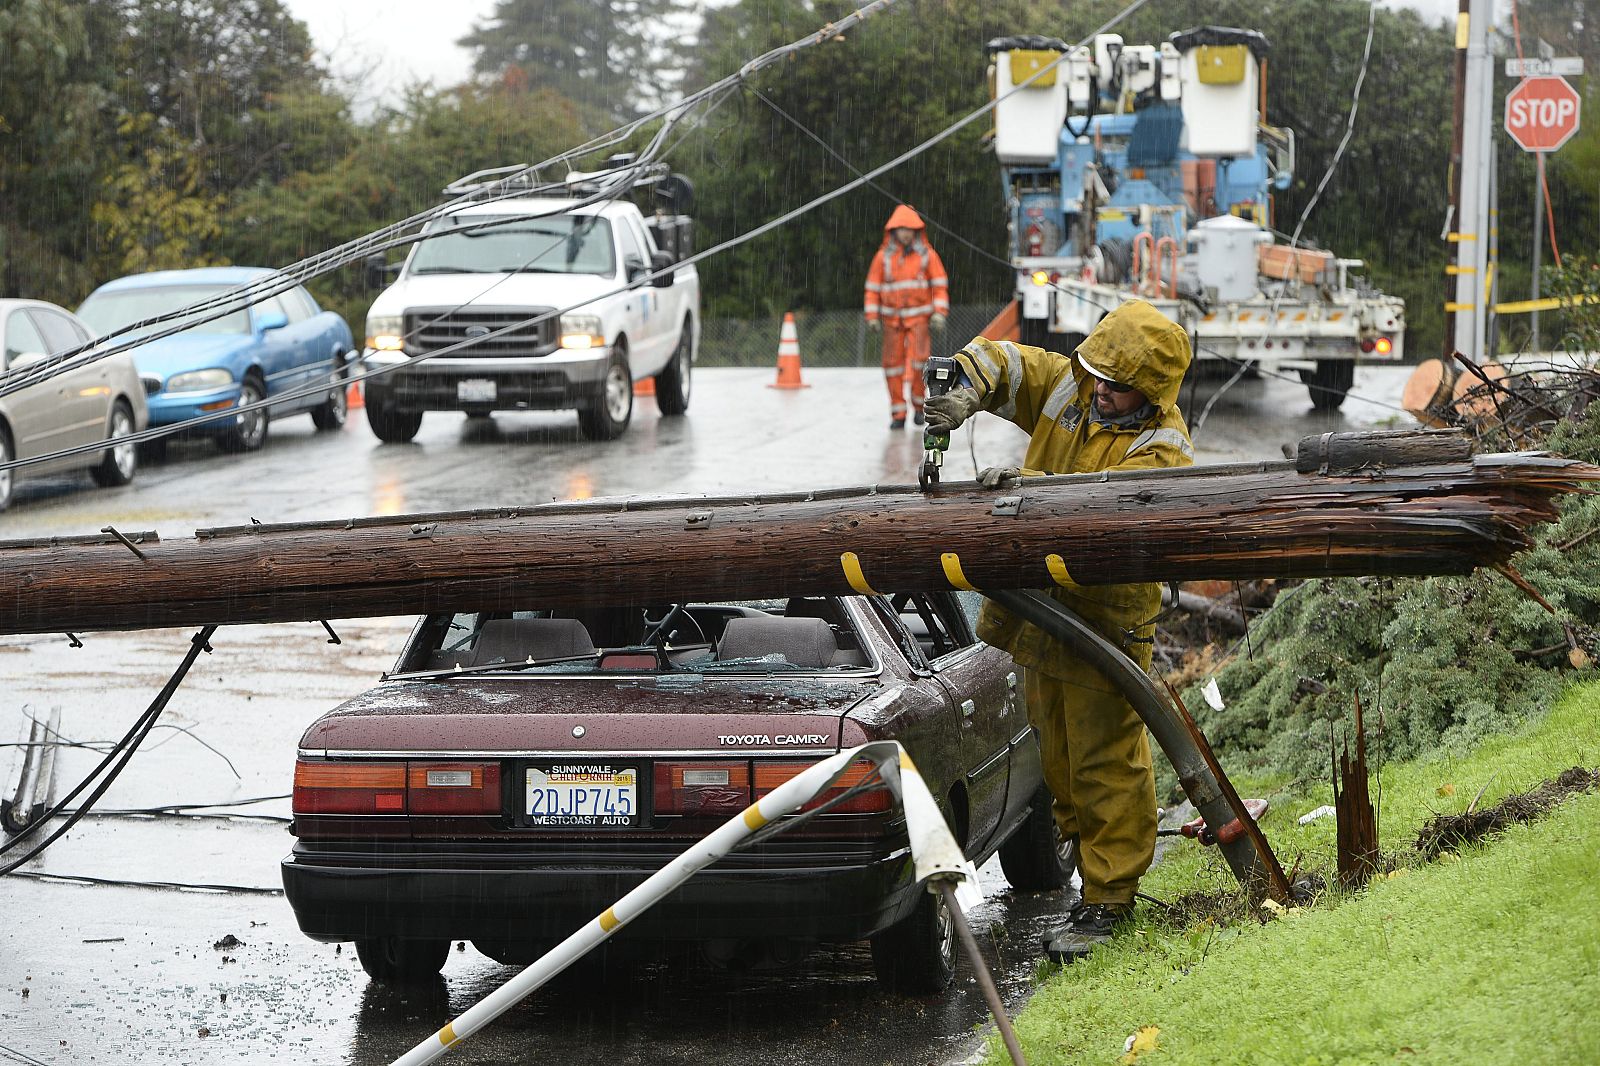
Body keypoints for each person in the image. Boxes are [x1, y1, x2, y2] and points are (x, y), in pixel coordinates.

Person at [923, 299, 1194, 963]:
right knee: (1060, 762)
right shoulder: (1072, 388)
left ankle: (1111, 900)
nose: (1100, 389)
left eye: (1117, 383)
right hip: (1043, 618)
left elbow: (1100, 516)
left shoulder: (1162, 451)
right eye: (1097, 372)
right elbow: (1009, 362)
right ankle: (1091, 879)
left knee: (1104, 763)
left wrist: (1029, 488)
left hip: (1102, 621)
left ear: (1153, 391)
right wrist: (963, 386)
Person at [863, 205, 949, 429]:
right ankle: (898, 413)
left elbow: (940, 285)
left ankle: (919, 408)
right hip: (892, 323)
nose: (905, 233)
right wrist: (872, 316)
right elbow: (872, 288)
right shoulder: (883, 258)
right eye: (902, 229)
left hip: (919, 322)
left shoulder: (927, 256)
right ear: (893, 231)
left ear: (917, 231)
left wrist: (939, 313)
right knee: (892, 367)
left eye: (910, 229)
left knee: (920, 365)